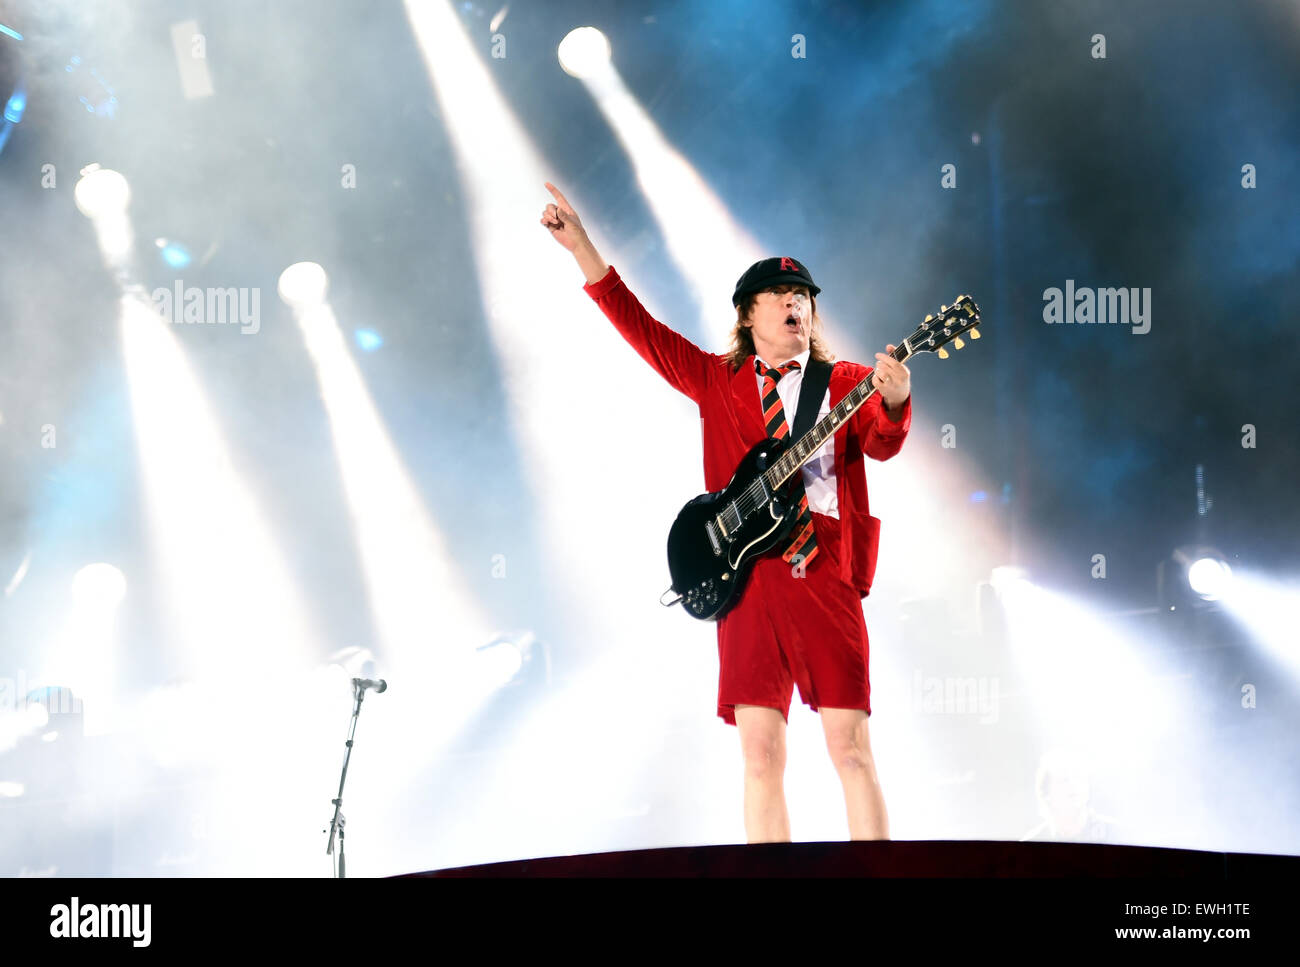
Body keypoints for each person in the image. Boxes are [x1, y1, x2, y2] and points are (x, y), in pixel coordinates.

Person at [540, 182, 912, 843]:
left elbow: (883, 442)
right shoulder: (717, 382)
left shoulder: (846, 382)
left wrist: (895, 397)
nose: (797, 303)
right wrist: (582, 248)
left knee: (850, 747)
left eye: (805, 297)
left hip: (824, 570)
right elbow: (643, 330)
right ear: (748, 314)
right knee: (761, 755)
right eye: (781, 295)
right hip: (748, 581)